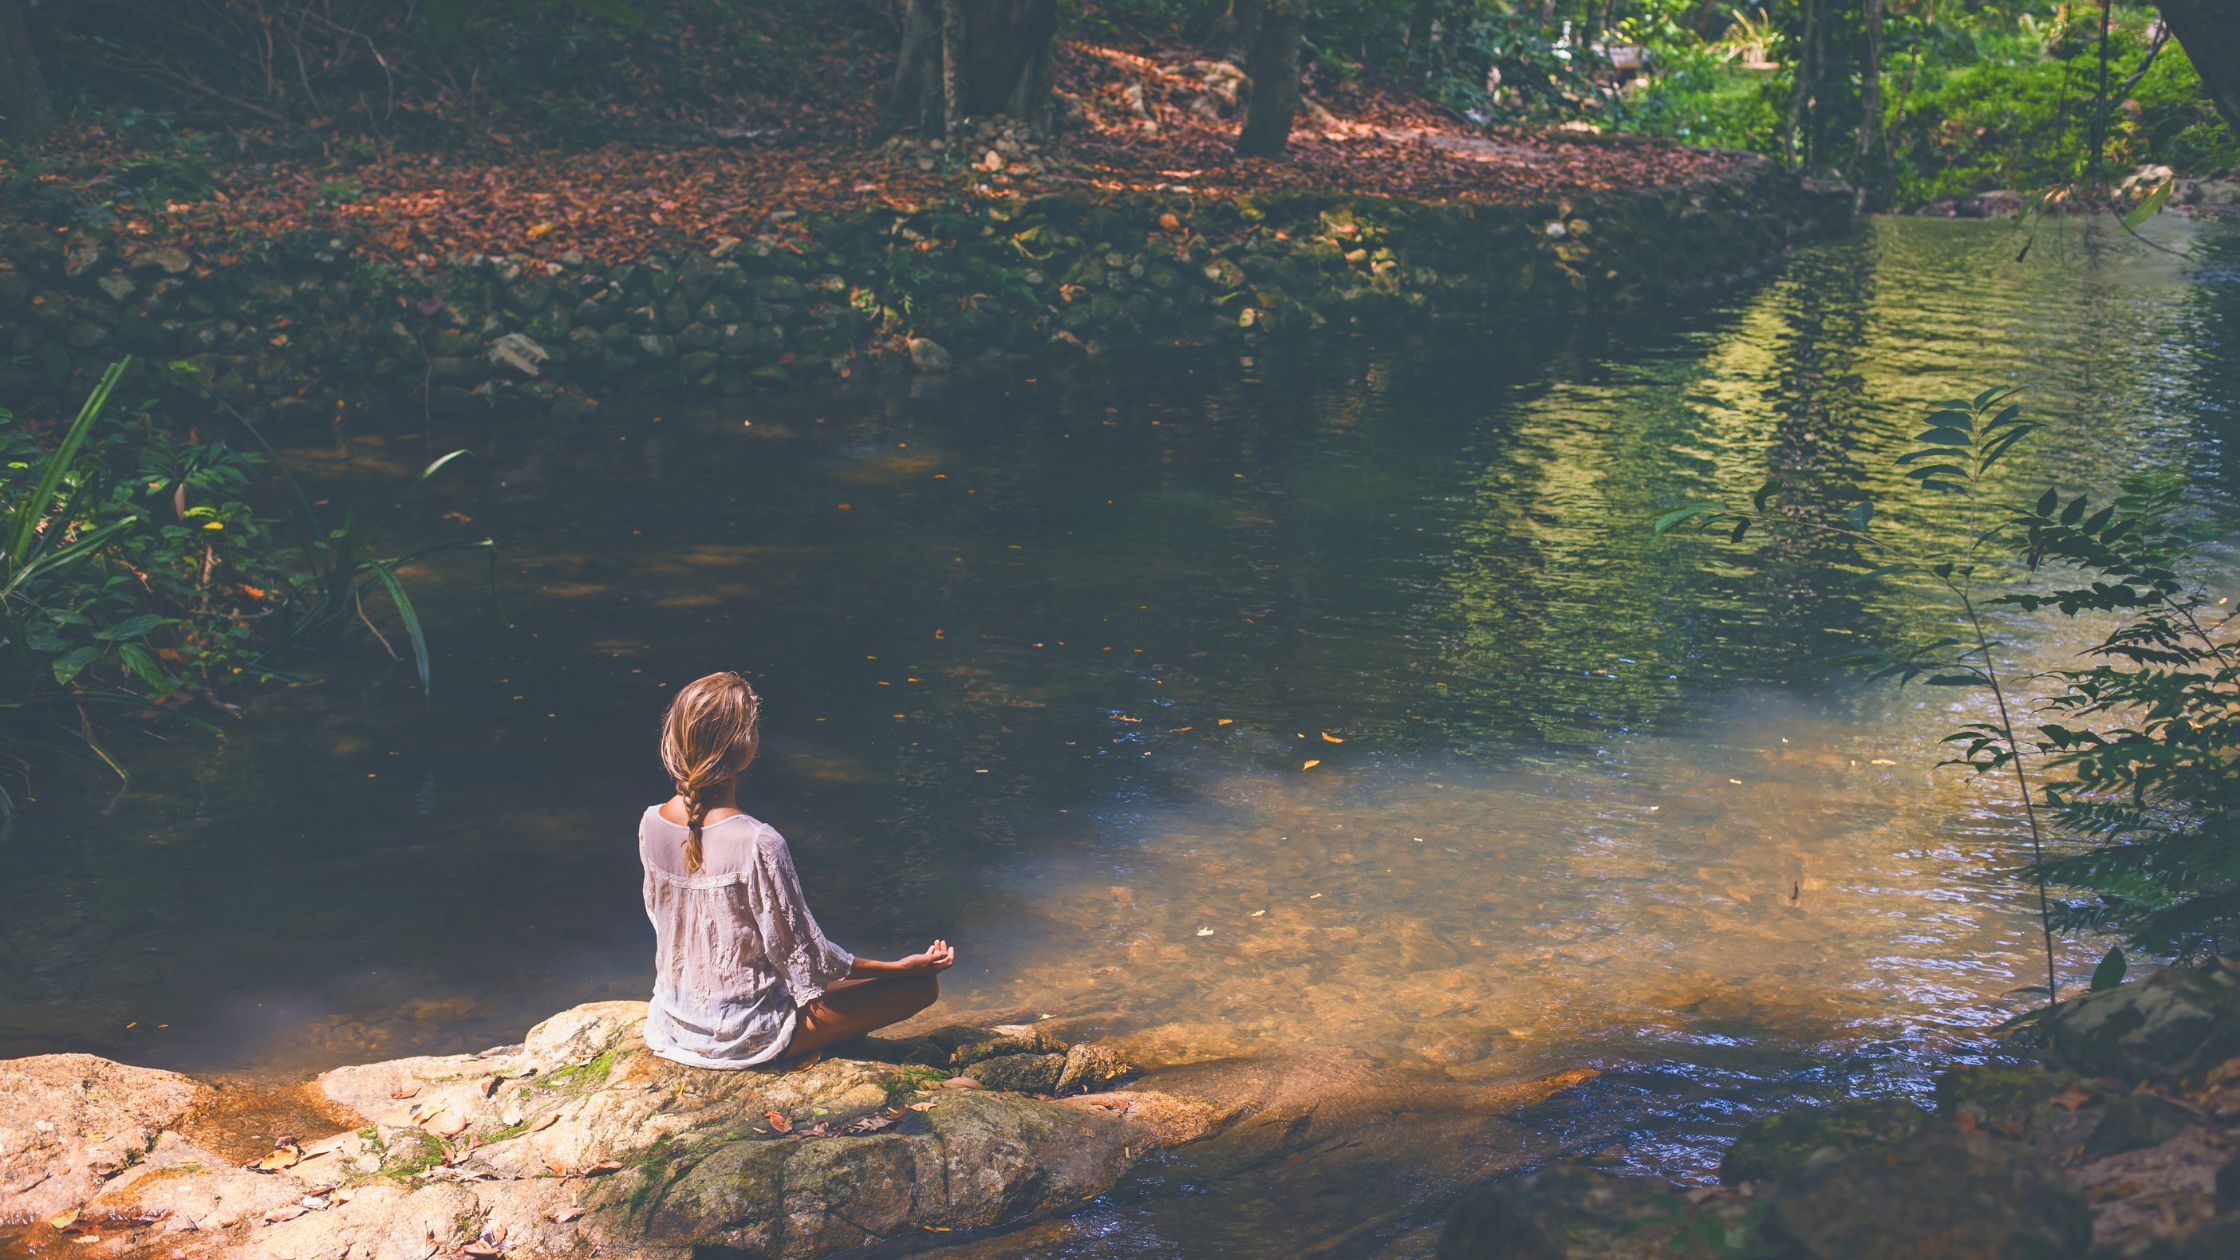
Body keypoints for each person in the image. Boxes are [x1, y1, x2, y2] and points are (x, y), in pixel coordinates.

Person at [639, 670, 953, 1067]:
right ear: (746, 749)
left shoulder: (651, 822)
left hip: (675, 1021)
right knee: (919, 989)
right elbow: (810, 958)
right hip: (743, 1035)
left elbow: (663, 920)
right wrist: (897, 968)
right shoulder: (758, 842)